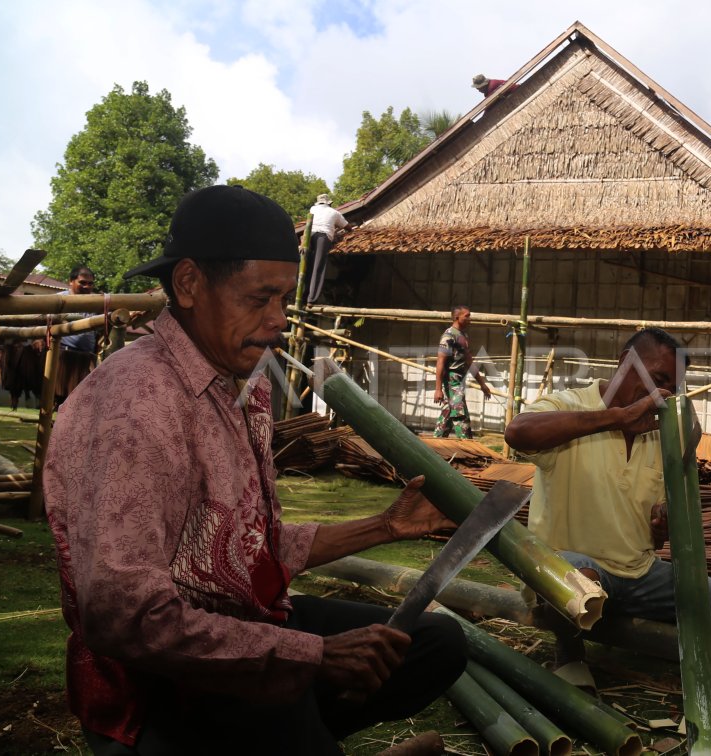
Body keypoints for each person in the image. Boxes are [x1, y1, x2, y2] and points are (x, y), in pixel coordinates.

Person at [45, 185, 465, 755]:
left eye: (285, 300)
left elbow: (247, 546)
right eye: (259, 299)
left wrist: (388, 526)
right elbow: (124, 617)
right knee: (281, 696)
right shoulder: (137, 405)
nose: (278, 321)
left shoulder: (246, 384)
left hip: (248, 623)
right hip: (155, 684)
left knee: (432, 643)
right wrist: (312, 656)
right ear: (190, 283)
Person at [503, 328, 711, 686]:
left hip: (639, 575)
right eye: (658, 380)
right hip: (576, 570)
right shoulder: (571, 405)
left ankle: (617, 626)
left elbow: (657, 533)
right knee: (578, 578)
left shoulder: (661, 435)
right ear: (625, 363)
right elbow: (518, 432)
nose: (663, 395)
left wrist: (662, 525)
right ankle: (570, 653)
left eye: (672, 388)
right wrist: (616, 417)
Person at [434, 306, 492, 439]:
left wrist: (482, 384)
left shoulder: (463, 336)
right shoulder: (449, 336)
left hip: (459, 380)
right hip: (451, 380)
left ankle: (435, 446)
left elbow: (469, 361)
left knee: (447, 415)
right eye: (467, 316)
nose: (470, 318)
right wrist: (438, 389)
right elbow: (440, 362)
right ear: (457, 317)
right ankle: (468, 446)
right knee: (461, 416)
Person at [54, 265, 98, 405]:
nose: (87, 286)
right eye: (82, 282)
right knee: (59, 397)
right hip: (62, 354)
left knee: (82, 399)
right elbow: (41, 321)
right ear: (71, 282)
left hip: (87, 357)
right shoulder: (58, 300)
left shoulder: (98, 302)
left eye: (90, 283)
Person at [307, 193, 352, 304]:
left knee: (309, 266)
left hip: (309, 235)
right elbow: (347, 227)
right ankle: (311, 299)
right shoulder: (334, 212)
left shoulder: (313, 209)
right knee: (319, 267)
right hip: (323, 237)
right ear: (329, 203)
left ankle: (304, 296)